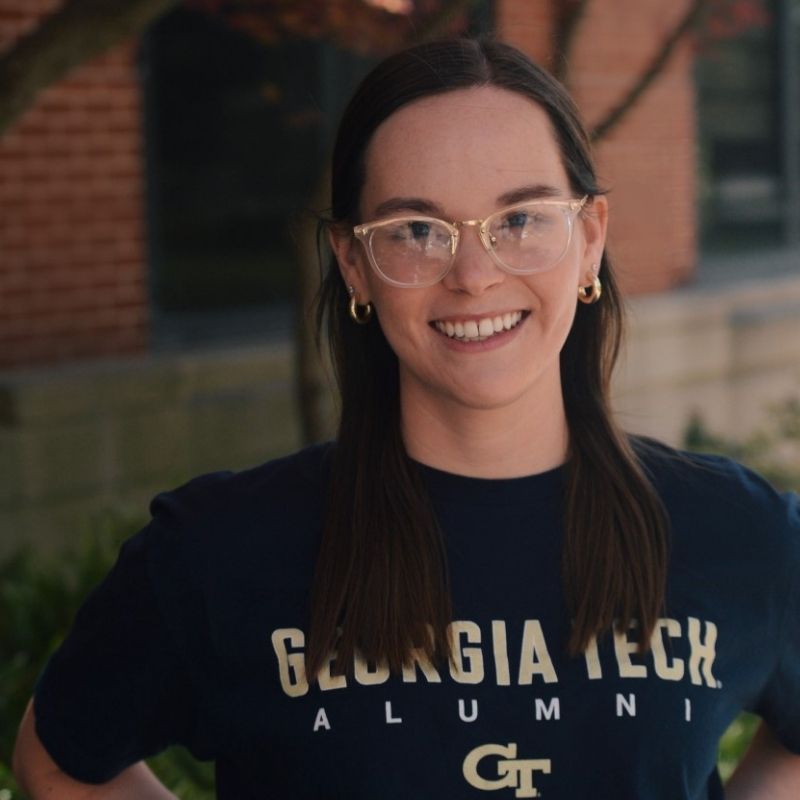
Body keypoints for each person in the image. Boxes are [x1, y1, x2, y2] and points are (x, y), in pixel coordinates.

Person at [12, 37, 800, 800]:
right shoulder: (221, 552)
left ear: (589, 239)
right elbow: (60, 759)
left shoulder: (737, 533)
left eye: (520, 219)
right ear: (353, 263)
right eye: (416, 231)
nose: (474, 275)